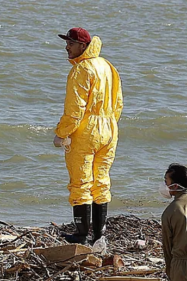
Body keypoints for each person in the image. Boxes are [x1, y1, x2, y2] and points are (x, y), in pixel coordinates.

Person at [53, 27, 123, 246]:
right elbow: (118, 102)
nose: (67, 47)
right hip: (110, 128)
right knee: (101, 181)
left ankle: (82, 235)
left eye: (71, 43)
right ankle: (100, 235)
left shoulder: (81, 69)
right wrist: (110, 125)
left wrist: (61, 134)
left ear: (83, 46)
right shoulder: (107, 66)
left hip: (87, 131)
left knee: (81, 182)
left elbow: (75, 110)